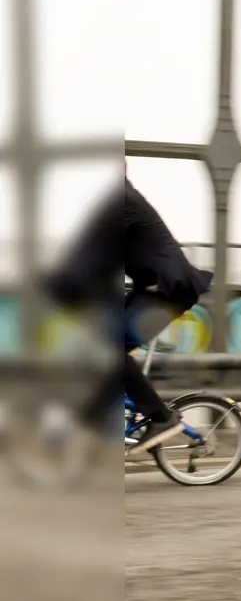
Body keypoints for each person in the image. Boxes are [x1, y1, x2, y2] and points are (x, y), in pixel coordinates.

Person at [42, 176, 212, 452]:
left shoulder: (122, 200)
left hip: (168, 290)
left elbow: (92, 254)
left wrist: (63, 283)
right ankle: (95, 416)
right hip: (152, 291)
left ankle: (161, 418)